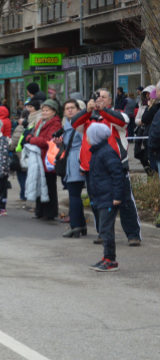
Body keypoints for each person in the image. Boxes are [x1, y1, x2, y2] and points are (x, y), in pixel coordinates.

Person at [71, 88, 142, 246]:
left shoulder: (117, 114)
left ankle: (133, 234)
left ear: (110, 101)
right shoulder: (87, 118)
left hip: (116, 166)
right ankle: (103, 233)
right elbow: (74, 123)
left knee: (125, 202)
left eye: (103, 97)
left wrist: (103, 110)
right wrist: (86, 110)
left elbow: (123, 122)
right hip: (92, 168)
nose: (99, 100)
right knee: (97, 202)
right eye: (96, 97)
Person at [86, 123, 125, 272]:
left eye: (89, 136)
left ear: (95, 137)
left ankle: (111, 260)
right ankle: (106, 257)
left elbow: (117, 175)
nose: (87, 139)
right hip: (102, 196)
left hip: (109, 197)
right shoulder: (97, 152)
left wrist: (117, 196)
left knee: (105, 229)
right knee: (104, 228)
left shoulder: (106, 152)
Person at [24, 99, 62, 220]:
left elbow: (47, 140)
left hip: (48, 158)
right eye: (43, 110)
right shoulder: (41, 121)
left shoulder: (56, 123)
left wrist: (30, 139)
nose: (44, 113)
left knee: (49, 185)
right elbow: (33, 134)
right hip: (38, 157)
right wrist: (31, 137)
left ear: (54, 111)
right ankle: (40, 211)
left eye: (47, 110)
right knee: (39, 184)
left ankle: (50, 212)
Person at [60, 99, 87, 237]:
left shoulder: (80, 123)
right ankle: (81, 225)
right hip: (71, 159)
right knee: (75, 194)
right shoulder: (66, 123)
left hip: (78, 159)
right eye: (67, 108)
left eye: (72, 108)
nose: (70, 110)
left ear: (78, 109)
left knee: (74, 195)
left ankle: (76, 226)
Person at [10, 110, 29, 201]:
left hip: (20, 155)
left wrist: (10, 147)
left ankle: (24, 193)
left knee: (21, 174)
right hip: (29, 155)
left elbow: (14, 142)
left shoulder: (20, 127)